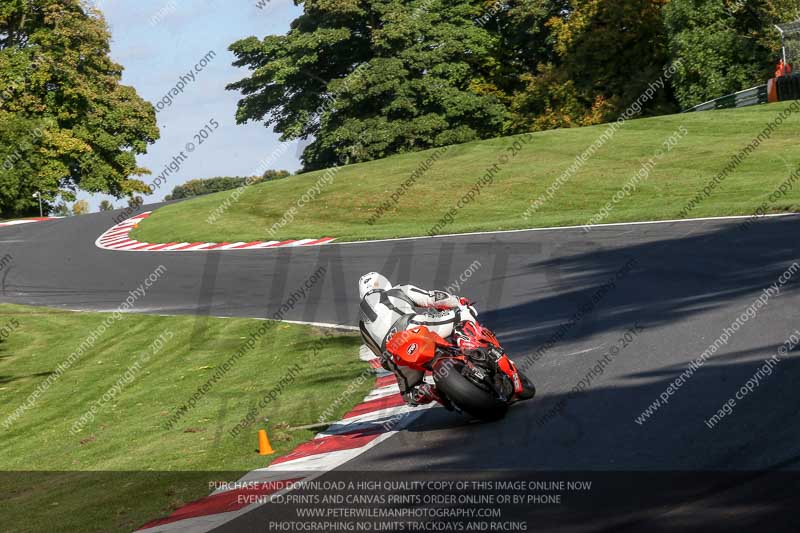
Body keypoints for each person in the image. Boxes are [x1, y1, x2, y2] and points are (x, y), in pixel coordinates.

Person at [357, 272, 534, 407]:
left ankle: (428, 391)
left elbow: (381, 358)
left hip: (396, 353)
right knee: (464, 314)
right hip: (413, 326)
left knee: (410, 394)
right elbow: (433, 298)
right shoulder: (397, 290)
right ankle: (468, 342)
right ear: (384, 283)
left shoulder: (362, 326)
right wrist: (458, 302)